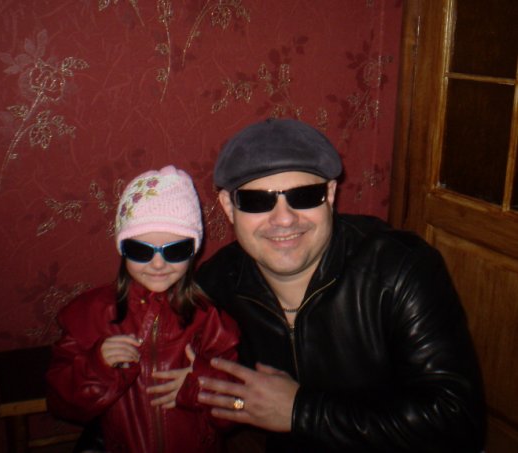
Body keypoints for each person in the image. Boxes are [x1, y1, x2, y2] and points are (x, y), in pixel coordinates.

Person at [194, 118, 486, 452]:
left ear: (330, 195)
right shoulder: (216, 286)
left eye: (305, 196)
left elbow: (458, 421)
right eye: (257, 201)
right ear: (228, 207)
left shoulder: (399, 270)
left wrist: (301, 411)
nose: (284, 218)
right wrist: (233, 404)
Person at [46, 165, 240, 453]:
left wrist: (198, 386)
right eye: (141, 250)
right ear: (122, 248)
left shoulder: (210, 318)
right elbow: (60, 404)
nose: (158, 264)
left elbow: (237, 408)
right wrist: (97, 366)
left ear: (193, 251)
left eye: (175, 250)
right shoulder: (90, 315)